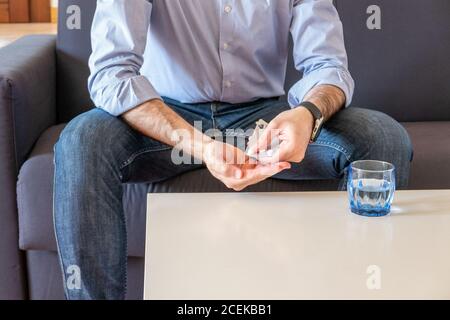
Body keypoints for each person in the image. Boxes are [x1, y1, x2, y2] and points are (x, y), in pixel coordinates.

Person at [54, 0, 412, 299]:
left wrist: (308, 114)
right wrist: (200, 146)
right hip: (168, 120)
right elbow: (112, 73)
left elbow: (328, 67)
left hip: (262, 120)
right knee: (82, 141)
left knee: (382, 137)